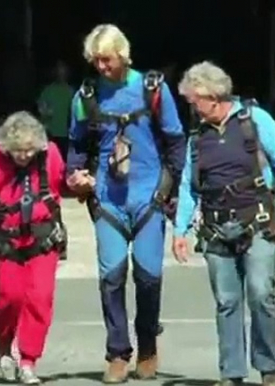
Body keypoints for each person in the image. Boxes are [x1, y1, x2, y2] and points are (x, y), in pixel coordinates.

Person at [65, 24, 186, 383]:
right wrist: (76, 176)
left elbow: (176, 143)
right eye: (96, 61)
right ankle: (117, 352)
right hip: (108, 200)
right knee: (111, 278)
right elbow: (75, 146)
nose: (101, 67)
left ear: (122, 54)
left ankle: (147, 346)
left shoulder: (152, 89)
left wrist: (171, 192)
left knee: (148, 277)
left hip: (149, 196)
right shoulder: (85, 95)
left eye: (107, 60)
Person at [171, 61, 275, 386]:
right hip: (214, 228)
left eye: (194, 102)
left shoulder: (256, 121)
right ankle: (232, 373)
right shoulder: (197, 137)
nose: (192, 109)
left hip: (258, 221)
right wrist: (179, 230)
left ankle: (268, 368)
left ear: (212, 96)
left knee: (260, 292)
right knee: (227, 301)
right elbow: (187, 185)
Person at [0, 111, 67, 385]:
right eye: (18, 150)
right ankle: (4, 342)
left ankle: (29, 360)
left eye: (29, 150)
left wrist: (79, 185)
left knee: (40, 298)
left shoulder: (50, 155)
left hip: (42, 239)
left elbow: (63, 183)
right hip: (5, 241)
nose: (23, 156)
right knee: (11, 298)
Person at [37, 61, 74, 160]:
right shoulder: (48, 90)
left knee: (63, 161)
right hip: (50, 132)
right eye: (58, 71)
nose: (61, 73)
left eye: (63, 71)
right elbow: (41, 107)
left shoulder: (71, 91)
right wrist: (46, 112)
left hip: (65, 133)